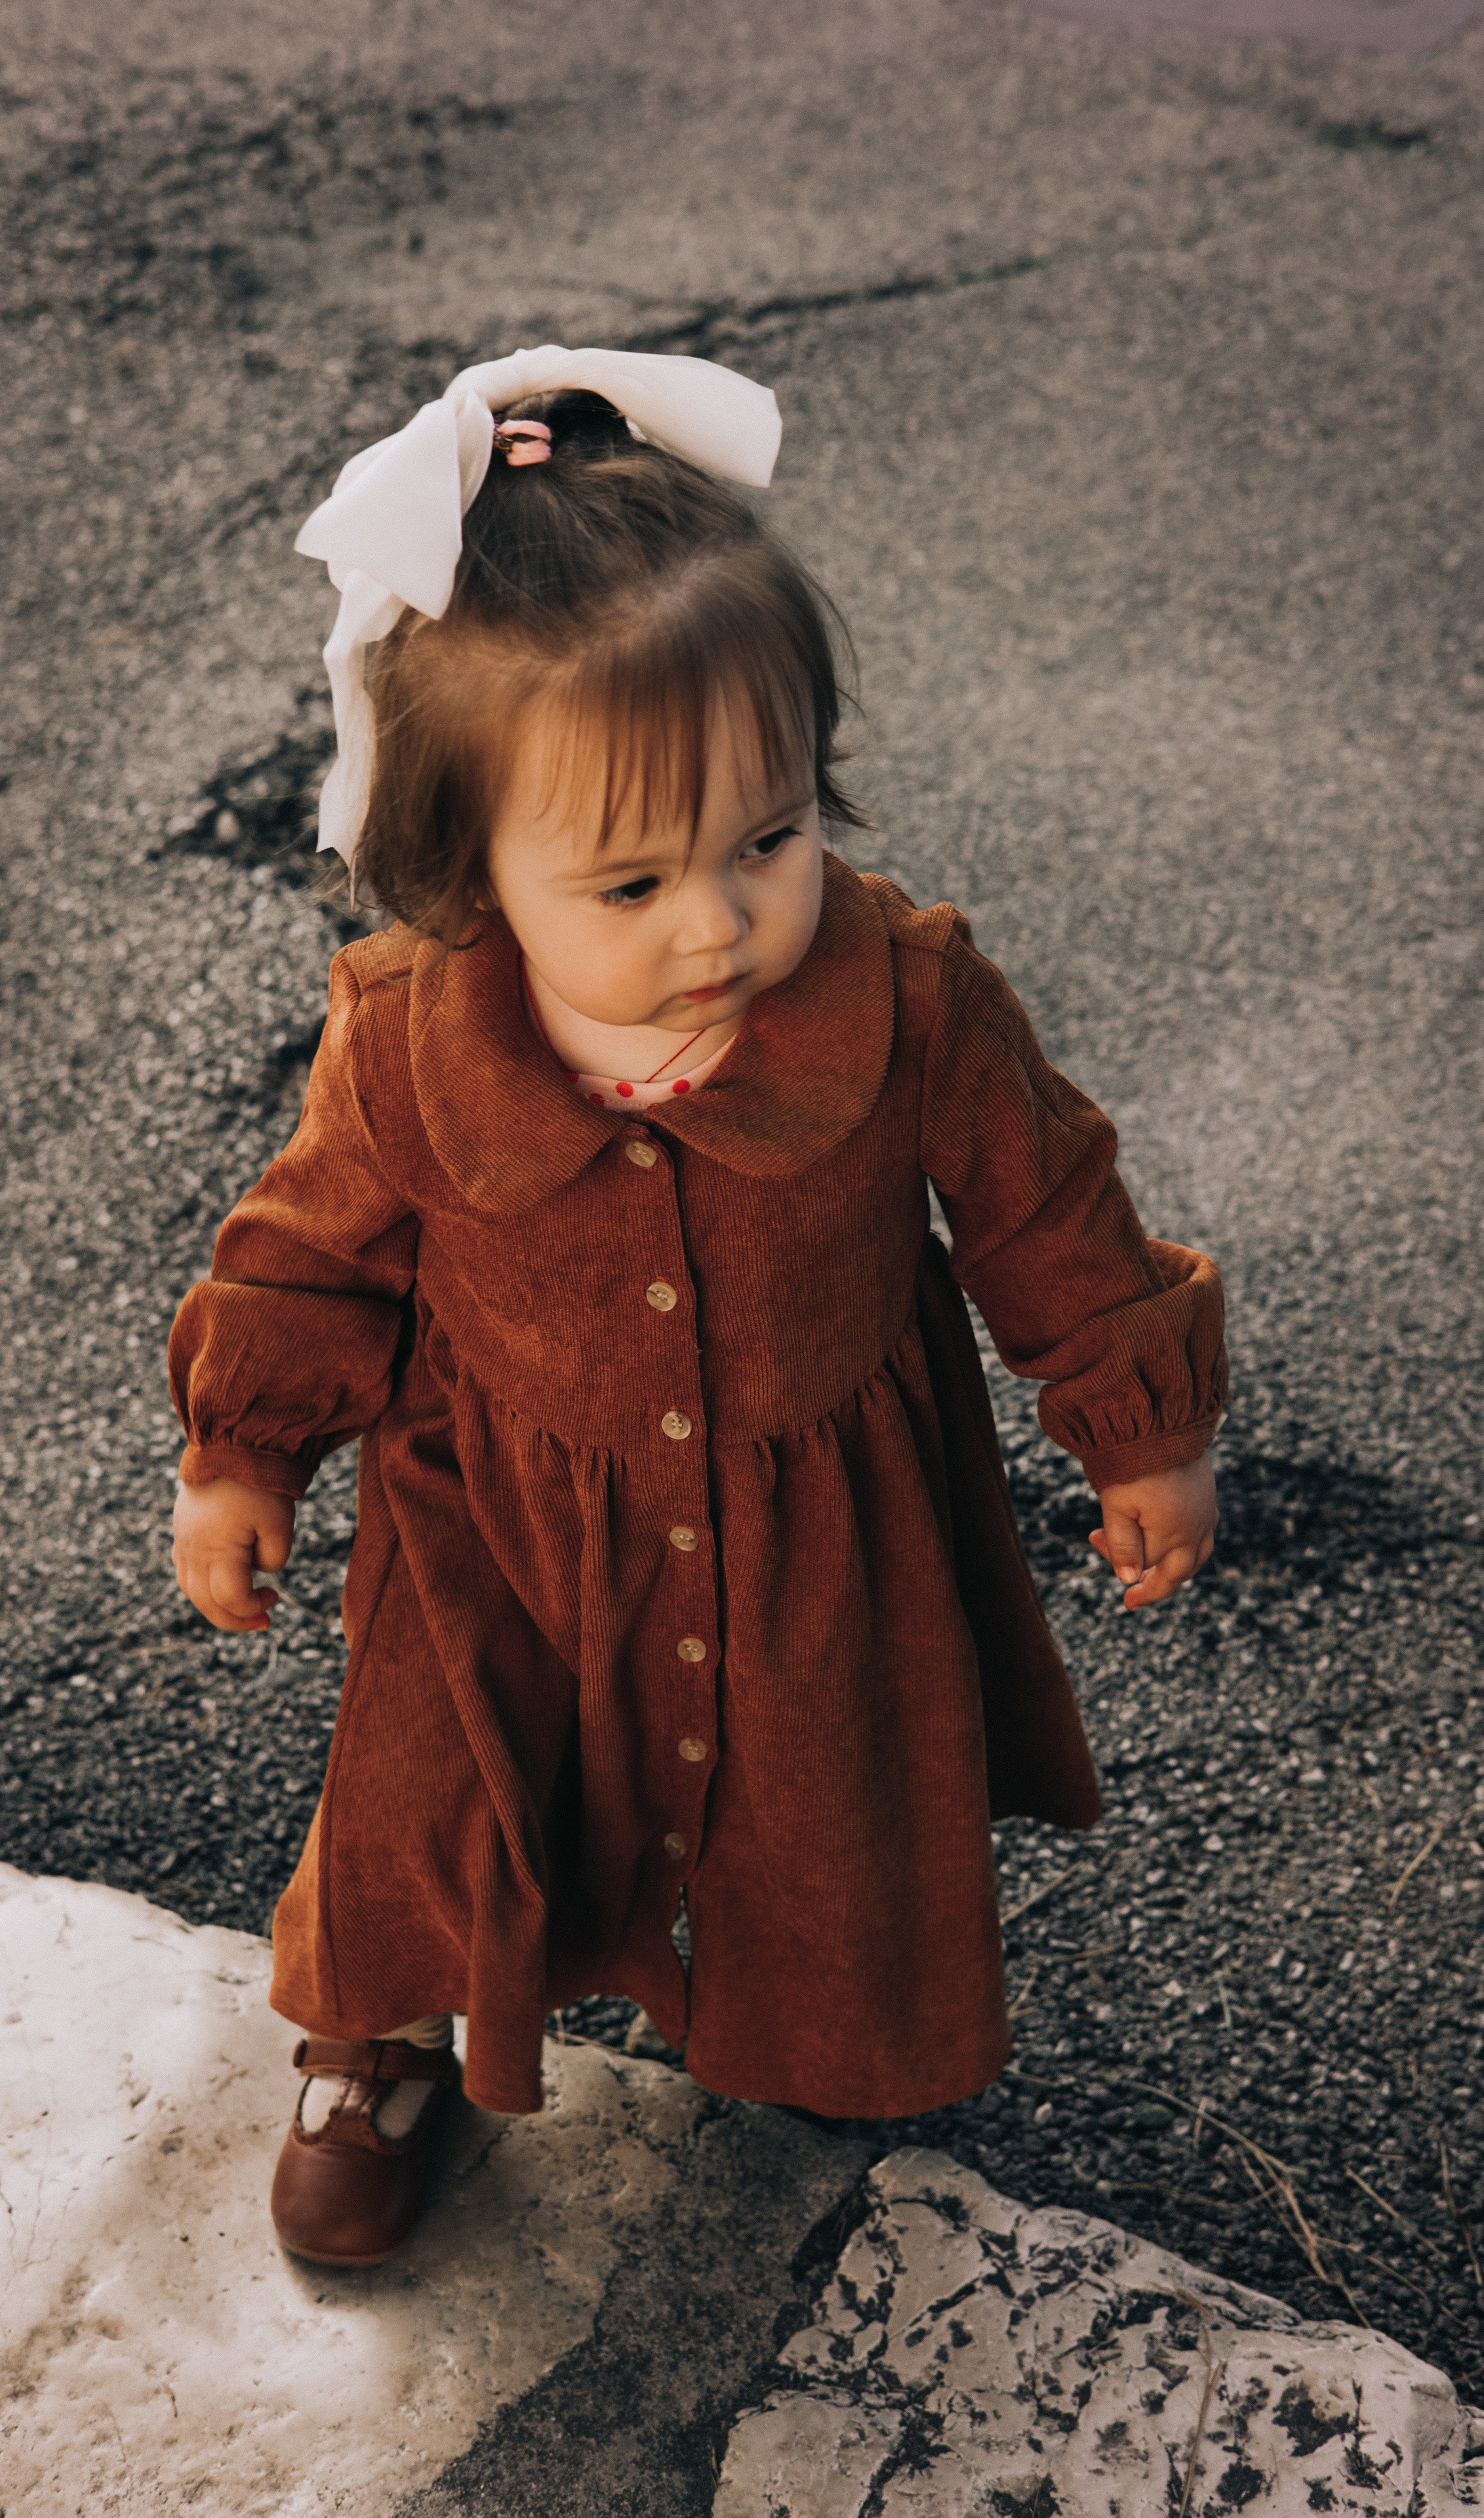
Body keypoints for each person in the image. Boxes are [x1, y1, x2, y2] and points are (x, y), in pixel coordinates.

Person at [169, 346, 1227, 2269]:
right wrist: (243, 1458)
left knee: (805, 1816)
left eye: (769, 837)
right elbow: (310, 1246)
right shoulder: (412, 1037)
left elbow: (1045, 1202)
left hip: (821, 1532)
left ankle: (794, 2023)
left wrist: (1139, 1420)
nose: (720, 923)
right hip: (497, 1531)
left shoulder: (904, 1002)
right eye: (632, 878)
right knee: (434, 1812)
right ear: (465, 866)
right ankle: (378, 2039)